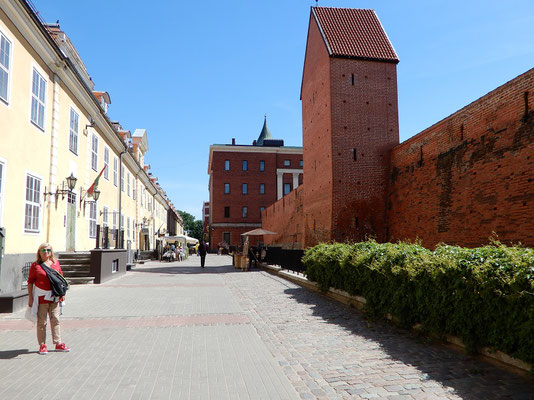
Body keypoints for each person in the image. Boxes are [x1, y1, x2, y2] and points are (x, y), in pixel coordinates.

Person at [27, 243, 70, 355]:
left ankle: (58, 343)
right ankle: (42, 345)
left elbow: (61, 278)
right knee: (42, 322)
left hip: (55, 297)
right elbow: (30, 282)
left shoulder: (55, 263)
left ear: (51, 252)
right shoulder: (35, 265)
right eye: (43, 250)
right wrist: (30, 297)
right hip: (41, 298)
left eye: (48, 250)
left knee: (55, 319)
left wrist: (63, 293)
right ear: (39, 252)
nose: (46, 252)